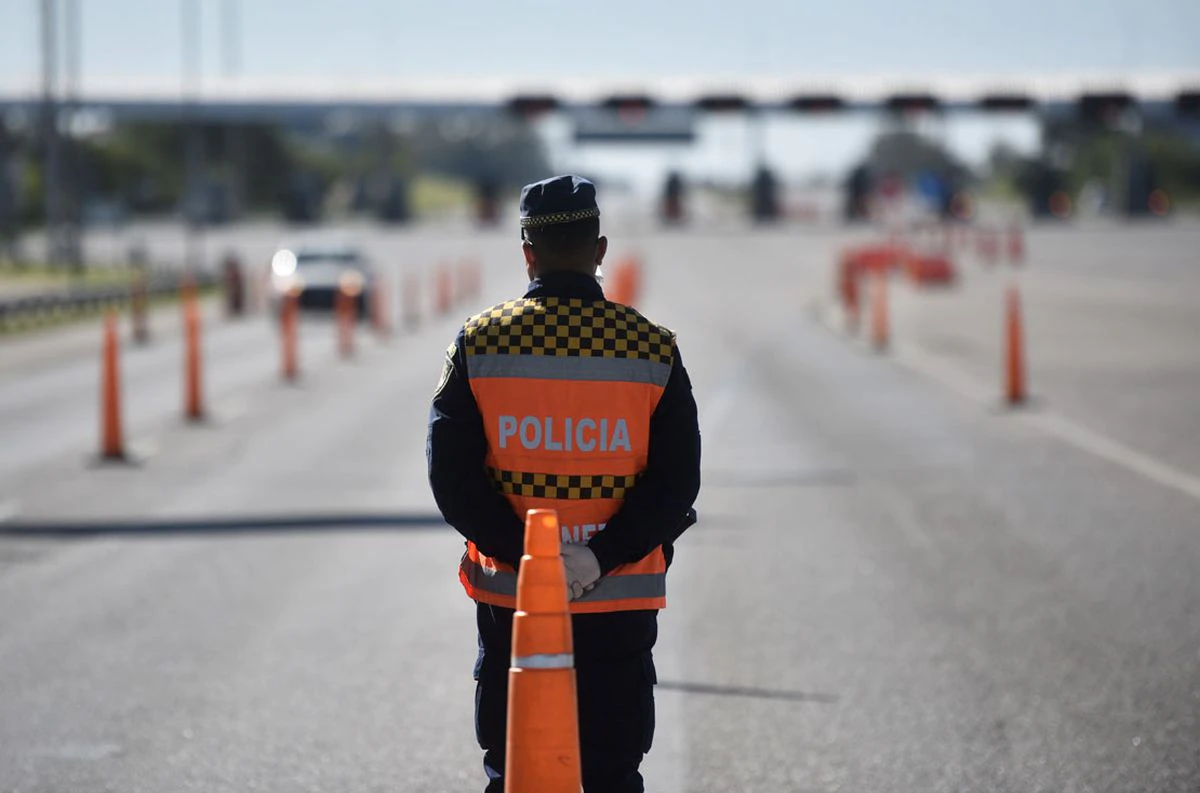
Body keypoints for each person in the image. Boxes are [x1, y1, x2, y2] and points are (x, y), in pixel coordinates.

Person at [427, 174, 701, 792]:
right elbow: (677, 483)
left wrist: (528, 557)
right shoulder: (652, 350)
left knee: (518, 770)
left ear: (527, 251)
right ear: (600, 250)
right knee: (612, 773)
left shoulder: (480, 342)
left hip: (515, 601)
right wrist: (598, 556)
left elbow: (451, 478)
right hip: (618, 600)